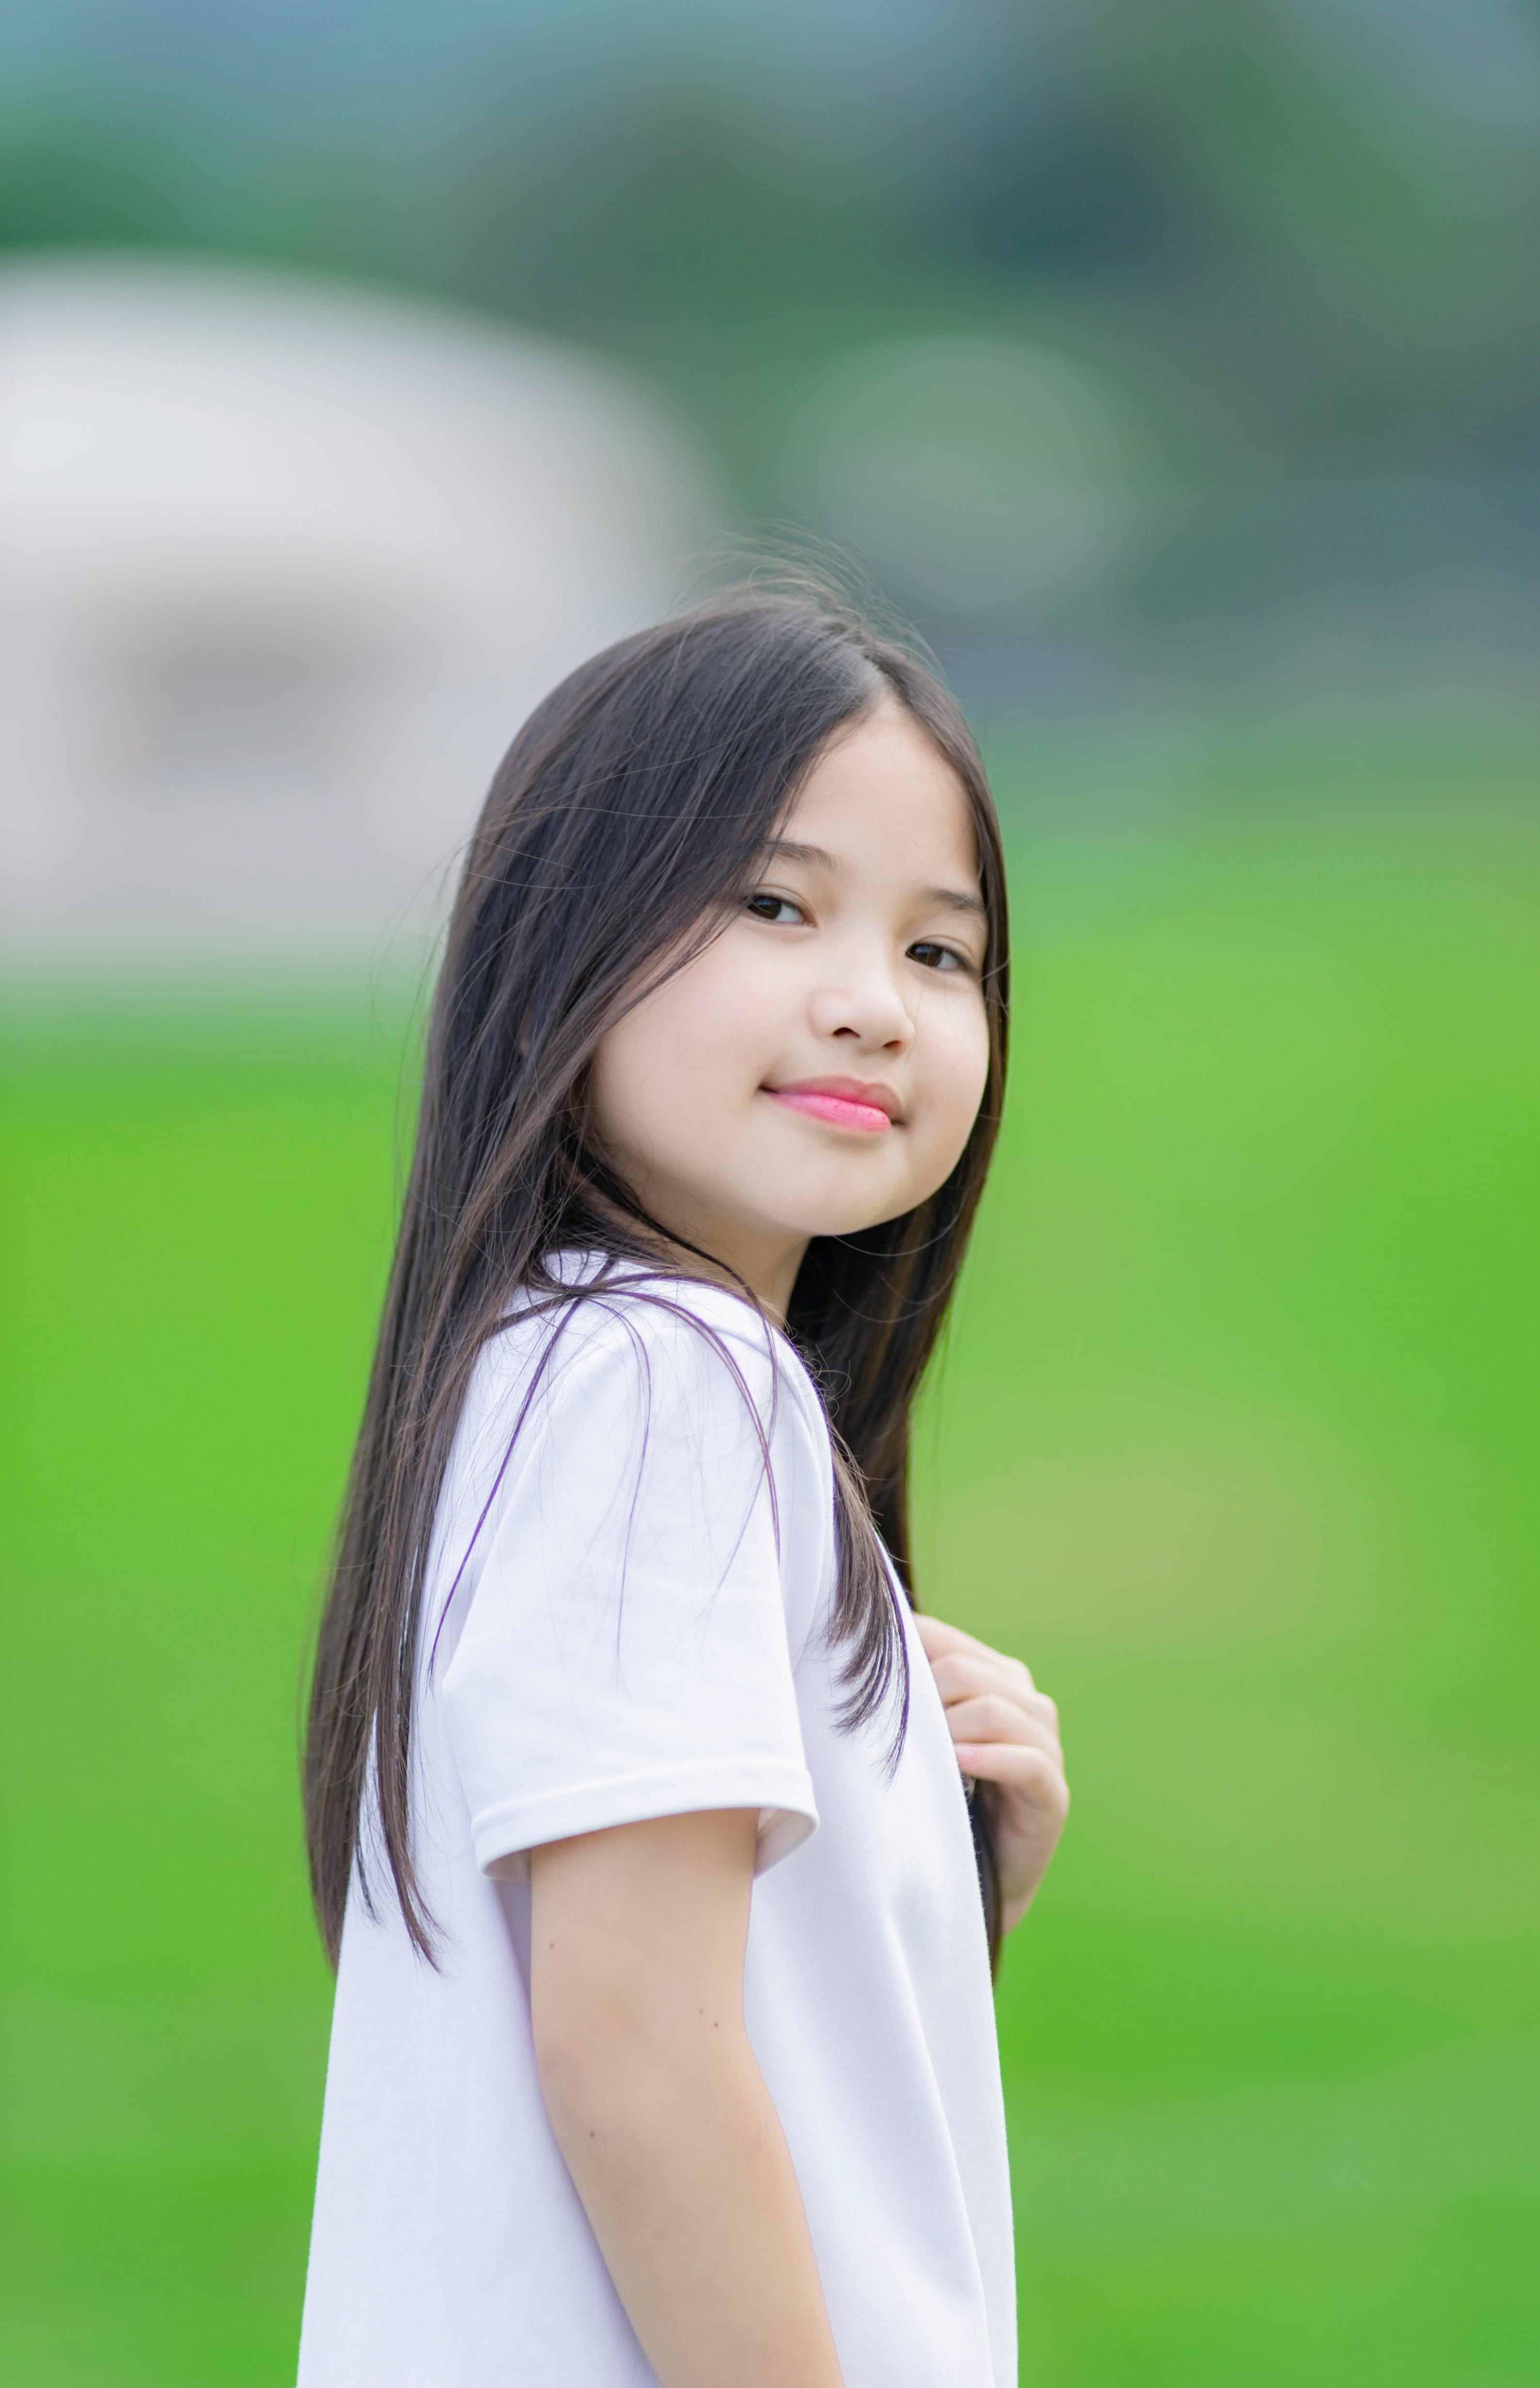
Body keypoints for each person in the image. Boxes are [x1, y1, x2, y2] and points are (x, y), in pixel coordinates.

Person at [297, 588, 1069, 2387]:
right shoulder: (661, 1378)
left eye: (942, 954)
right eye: (777, 906)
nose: (872, 1005)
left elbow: (695, 2027)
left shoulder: (566, 1369)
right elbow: (635, 2061)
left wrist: (932, 1890)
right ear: (563, 944)